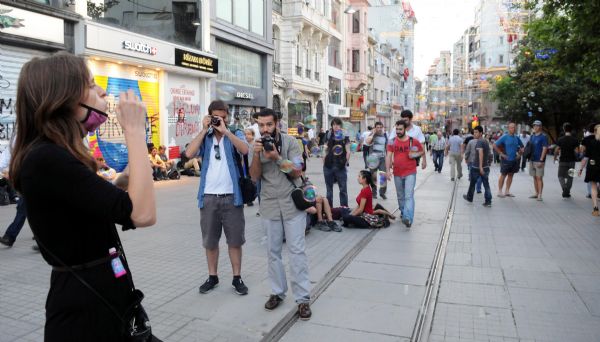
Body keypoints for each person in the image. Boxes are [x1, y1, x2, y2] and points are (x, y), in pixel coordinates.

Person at [8, 52, 156, 340]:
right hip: (85, 313)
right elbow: (142, 214)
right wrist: (136, 131)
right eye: (90, 85)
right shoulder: (46, 157)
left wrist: (121, 182)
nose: (101, 91)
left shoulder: (58, 154)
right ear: (62, 98)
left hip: (100, 299)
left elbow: (83, 207)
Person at [249, 108, 312, 320]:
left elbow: (297, 171)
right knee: (272, 252)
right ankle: (277, 292)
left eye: (269, 124)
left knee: (297, 251)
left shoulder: (291, 143)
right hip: (268, 203)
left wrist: (276, 157)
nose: (265, 129)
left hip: (292, 203)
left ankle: (302, 299)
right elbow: (254, 176)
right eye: (261, 125)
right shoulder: (255, 146)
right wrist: (257, 154)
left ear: (277, 123)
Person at [184, 100, 250, 296]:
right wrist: (204, 130)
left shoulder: (235, 133)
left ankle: (237, 277)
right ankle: (212, 276)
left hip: (232, 197)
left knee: (235, 241)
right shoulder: (206, 137)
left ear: (227, 116)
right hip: (209, 197)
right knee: (210, 241)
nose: (219, 119)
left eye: (222, 116)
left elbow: (245, 150)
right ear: (210, 116)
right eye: (215, 116)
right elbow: (189, 153)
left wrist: (226, 131)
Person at [386, 120, 425, 228]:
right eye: (396, 129)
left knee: (408, 195)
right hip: (397, 172)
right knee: (400, 196)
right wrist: (388, 171)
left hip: (410, 172)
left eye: (400, 129)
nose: (398, 131)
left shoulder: (413, 141)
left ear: (405, 129)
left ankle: (408, 218)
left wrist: (414, 155)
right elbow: (388, 156)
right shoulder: (392, 141)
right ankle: (404, 212)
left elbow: (422, 151)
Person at [323, 118, 351, 207]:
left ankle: (344, 210)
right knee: (329, 190)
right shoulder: (328, 134)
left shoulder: (345, 136)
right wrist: (323, 158)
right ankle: (329, 210)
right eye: (334, 124)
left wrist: (346, 162)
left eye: (338, 124)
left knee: (343, 190)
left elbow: (348, 151)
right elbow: (325, 148)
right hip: (328, 165)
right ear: (332, 126)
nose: (336, 126)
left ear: (340, 126)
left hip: (340, 165)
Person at [463, 126, 493, 207]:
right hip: (486, 167)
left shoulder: (479, 142)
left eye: (476, 132)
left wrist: (480, 167)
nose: (474, 134)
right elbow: (490, 154)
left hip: (477, 167)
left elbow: (481, 153)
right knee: (486, 184)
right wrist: (489, 162)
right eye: (474, 132)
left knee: (473, 183)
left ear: (481, 133)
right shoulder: (486, 141)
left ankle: (470, 197)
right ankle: (488, 201)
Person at [494, 122, 523, 198]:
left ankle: (507, 191)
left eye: (514, 127)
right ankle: (500, 191)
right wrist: (501, 154)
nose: (513, 129)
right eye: (511, 127)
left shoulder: (516, 137)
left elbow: (522, 146)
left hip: (514, 160)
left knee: (511, 175)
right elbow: (494, 145)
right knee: (503, 175)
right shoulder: (504, 137)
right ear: (508, 128)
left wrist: (519, 154)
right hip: (506, 160)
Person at [579, 123, 600, 216]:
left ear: (594, 131)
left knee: (593, 186)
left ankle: (595, 208)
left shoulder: (590, 142)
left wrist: (580, 169)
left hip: (592, 166)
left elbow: (586, 157)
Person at [554, 123, 580, 198]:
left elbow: (556, 150)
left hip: (562, 160)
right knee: (570, 176)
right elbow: (577, 151)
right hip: (572, 161)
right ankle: (567, 191)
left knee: (560, 176)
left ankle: (564, 189)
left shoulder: (560, 139)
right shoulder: (575, 140)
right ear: (571, 130)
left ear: (564, 129)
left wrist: (555, 158)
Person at [365, 122, 388, 199]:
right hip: (372, 159)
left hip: (382, 158)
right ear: (375, 128)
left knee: (383, 176)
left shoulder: (385, 135)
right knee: (373, 176)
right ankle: (373, 193)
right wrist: (373, 133)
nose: (379, 129)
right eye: (377, 127)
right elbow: (367, 142)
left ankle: (382, 192)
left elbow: (387, 148)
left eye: (380, 127)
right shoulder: (371, 135)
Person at [529, 120, 549, 201]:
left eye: (537, 126)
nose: (535, 127)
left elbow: (545, 148)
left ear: (540, 127)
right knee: (534, 177)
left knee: (539, 177)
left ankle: (540, 194)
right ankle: (536, 193)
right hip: (532, 160)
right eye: (534, 126)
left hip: (539, 160)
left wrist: (541, 160)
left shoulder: (543, 137)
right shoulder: (532, 136)